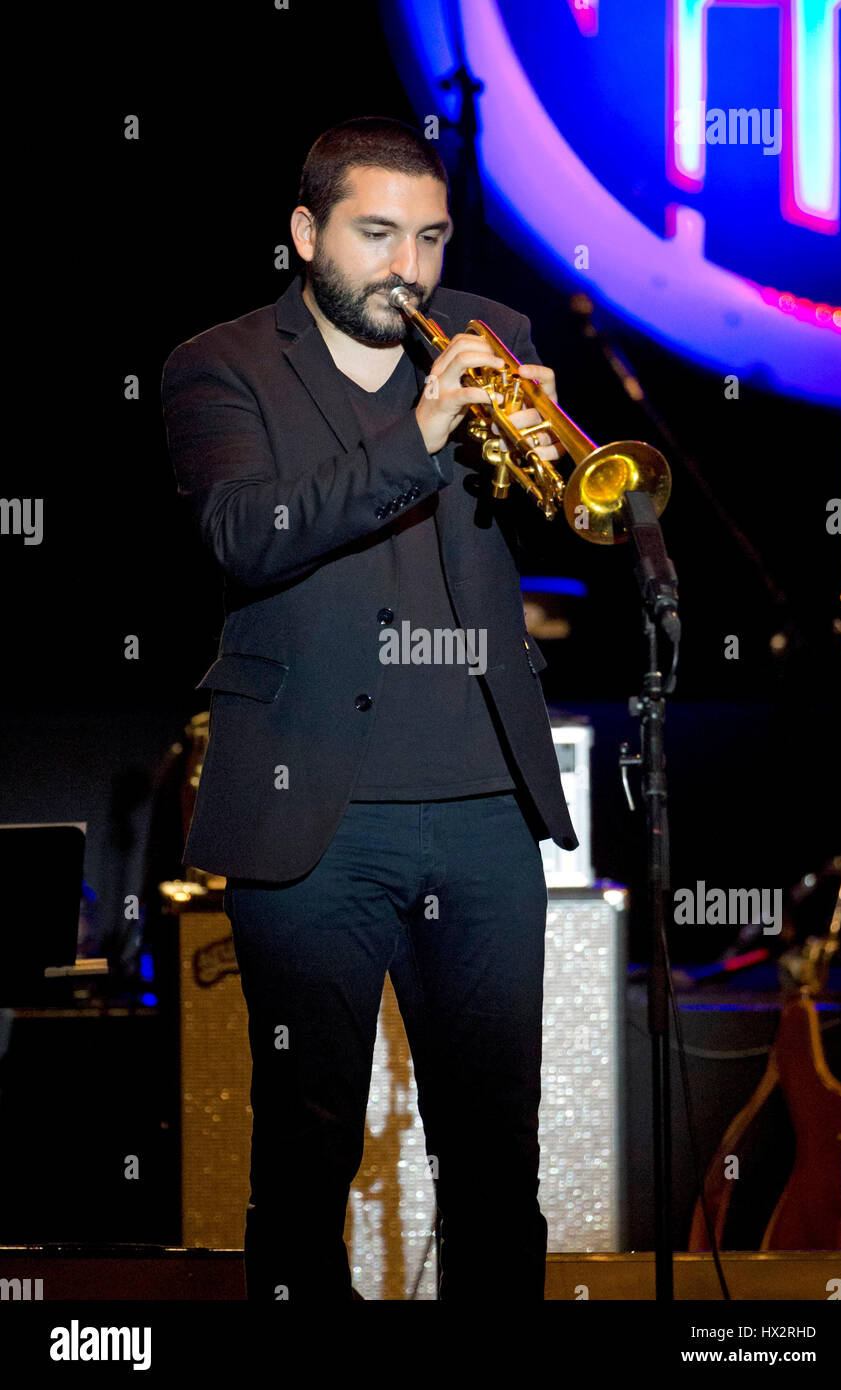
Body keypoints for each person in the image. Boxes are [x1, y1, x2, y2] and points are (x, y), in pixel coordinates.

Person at [161, 116, 578, 1302]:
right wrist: (424, 431)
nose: (408, 266)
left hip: (484, 803)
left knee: (495, 1152)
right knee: (305, 1148)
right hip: (312, 812)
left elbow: (571, 524)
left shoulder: (495, 339)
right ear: (306, 234)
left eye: (430, 237)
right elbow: (248, 533)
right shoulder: (220, 363)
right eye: (377, 233)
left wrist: (537, 445)